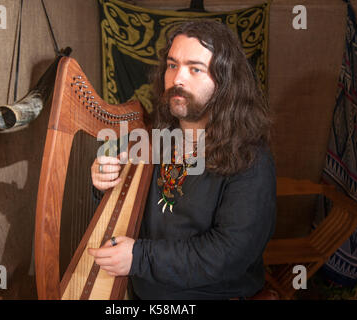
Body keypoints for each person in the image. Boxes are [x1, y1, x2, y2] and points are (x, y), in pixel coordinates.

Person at [87, 19, 276, 300]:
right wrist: (103, 180)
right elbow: (122, 204)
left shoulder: (251, 158)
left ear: (225, 81)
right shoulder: (155, 139)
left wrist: (139, 257)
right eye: (173, 65)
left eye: (195, 69)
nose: (177, 79)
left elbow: (228, 254)